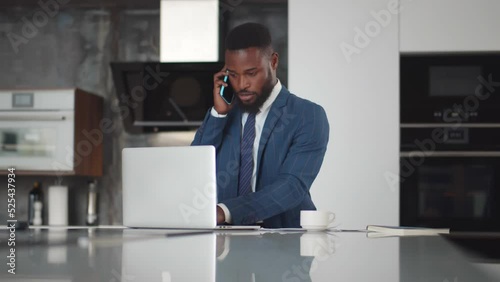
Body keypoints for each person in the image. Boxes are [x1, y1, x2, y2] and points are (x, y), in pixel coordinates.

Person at [191, 22, 329, 228]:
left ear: (273, 62)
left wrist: (225, 211)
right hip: (224, 244)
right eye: (233, 75)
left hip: (284, 243)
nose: (241, 84)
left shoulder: (307, 115)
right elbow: (194, 172)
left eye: (251, 73)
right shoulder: (223, 113)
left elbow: (292, 186)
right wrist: (218, 115)